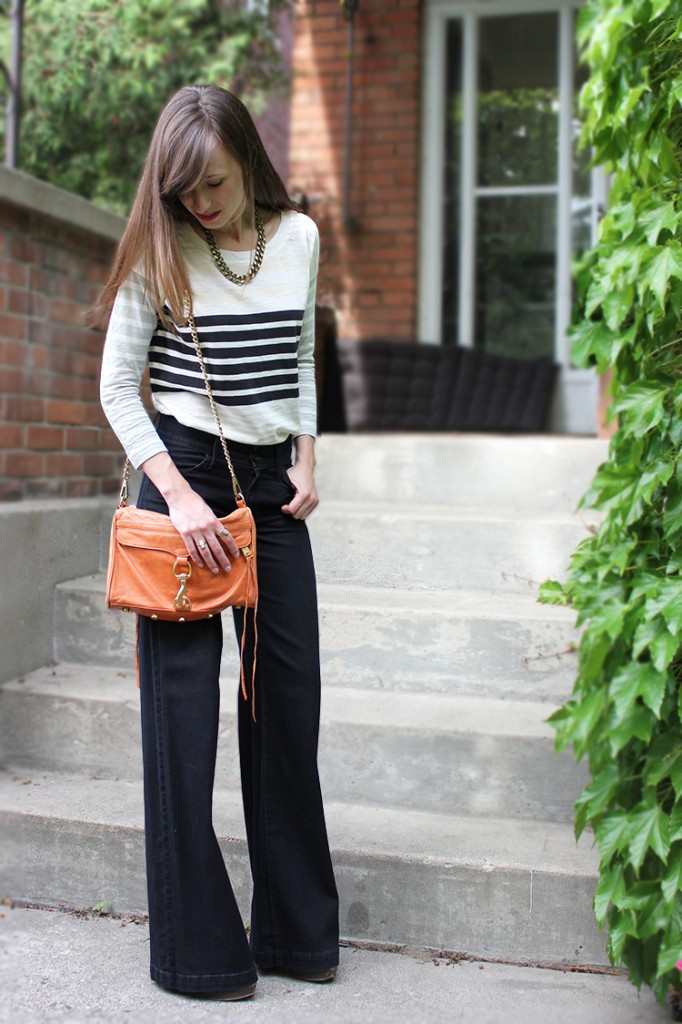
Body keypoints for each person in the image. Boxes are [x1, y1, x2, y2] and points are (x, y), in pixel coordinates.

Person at [96, 84, 339, 1002]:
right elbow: (120, 391)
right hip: (180, 476)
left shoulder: (300, 238)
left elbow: (300, 358)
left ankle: (295, 932)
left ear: (247, 155)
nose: (201, 203)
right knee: (184, 719)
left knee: (286, 702)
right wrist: (180, 499)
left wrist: (309, 458)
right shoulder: (159, 251)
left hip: (273, 487)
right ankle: (197, 952)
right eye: (184, 189)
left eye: (216, 183)